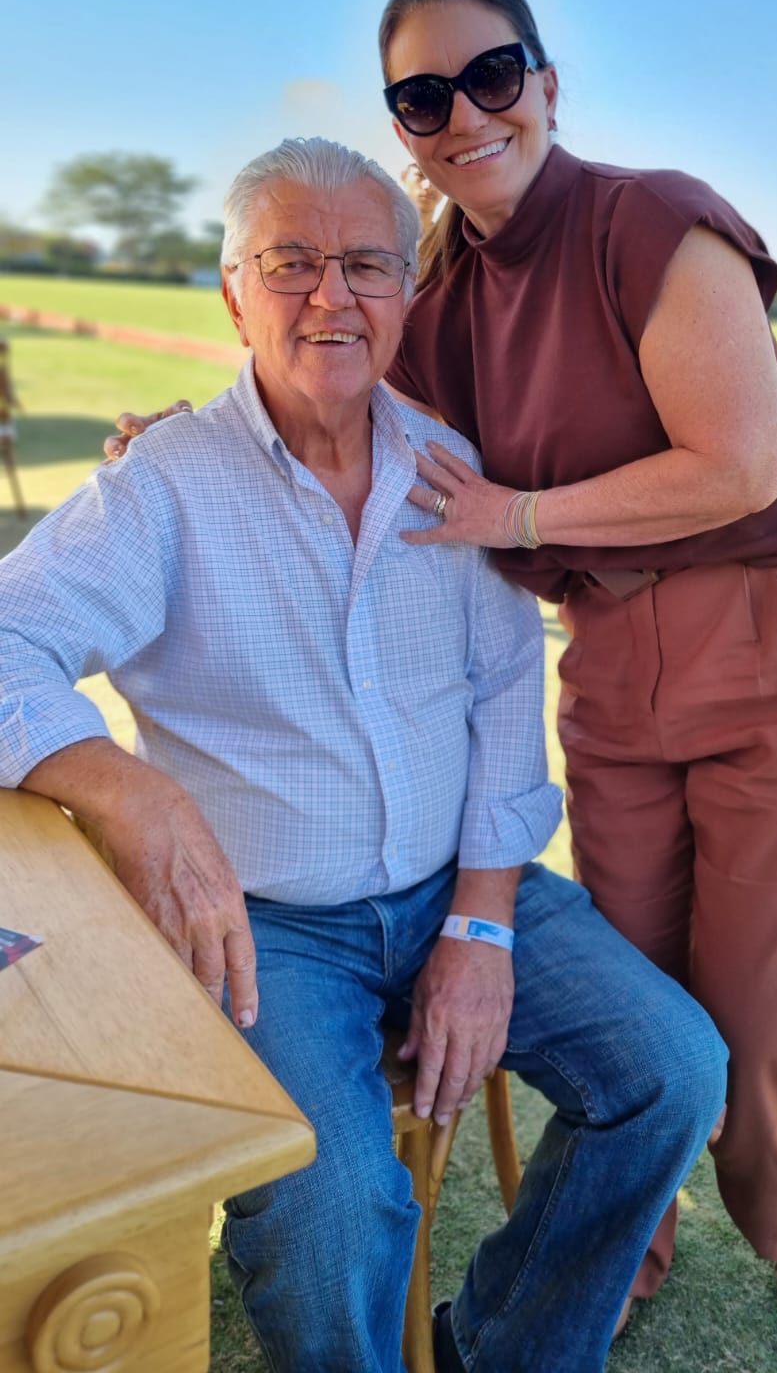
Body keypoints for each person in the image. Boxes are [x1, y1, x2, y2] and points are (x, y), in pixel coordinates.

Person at [103, 0, 777, 1334]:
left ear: (545, 82)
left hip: (776, 634)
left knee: (756, 1006)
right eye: (425, 95)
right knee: (642, 973)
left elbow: (742, 466)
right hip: (612, 655)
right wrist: (187, 432)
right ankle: (625, 1250)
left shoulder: (646, 219)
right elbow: (324, 366)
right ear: (402, 124)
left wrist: (516, 515)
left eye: (491, 75)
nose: (465, 113)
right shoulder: (437, 287)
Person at [0, 137, 727, 1373]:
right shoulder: (164, 484)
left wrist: (481, 925)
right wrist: (127, 791)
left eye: (367, 264)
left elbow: (503, 693)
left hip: (462, 881)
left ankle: (504, 1350)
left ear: (405, 293)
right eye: (290, 262)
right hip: (268, 925)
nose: (331, 295)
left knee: (674, 1072)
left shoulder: (453, 469)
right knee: (332, 1201)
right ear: (233, 291)